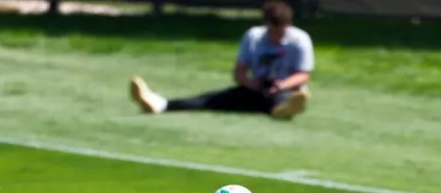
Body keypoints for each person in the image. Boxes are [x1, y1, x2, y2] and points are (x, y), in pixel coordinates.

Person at [128, 2, 313, 121]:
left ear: (288, 26)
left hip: (285, 90)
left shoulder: (300, 39)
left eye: (280, 31)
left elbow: (303, 75)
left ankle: (286, 108)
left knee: (285, 99)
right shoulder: (254, 36)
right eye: (273, 30)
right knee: (210, 100)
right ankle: (160, 104)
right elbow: (239, 72)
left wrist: (282, 85)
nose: (276, 35)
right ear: (266, 25)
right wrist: (250, 83)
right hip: (256, 89)